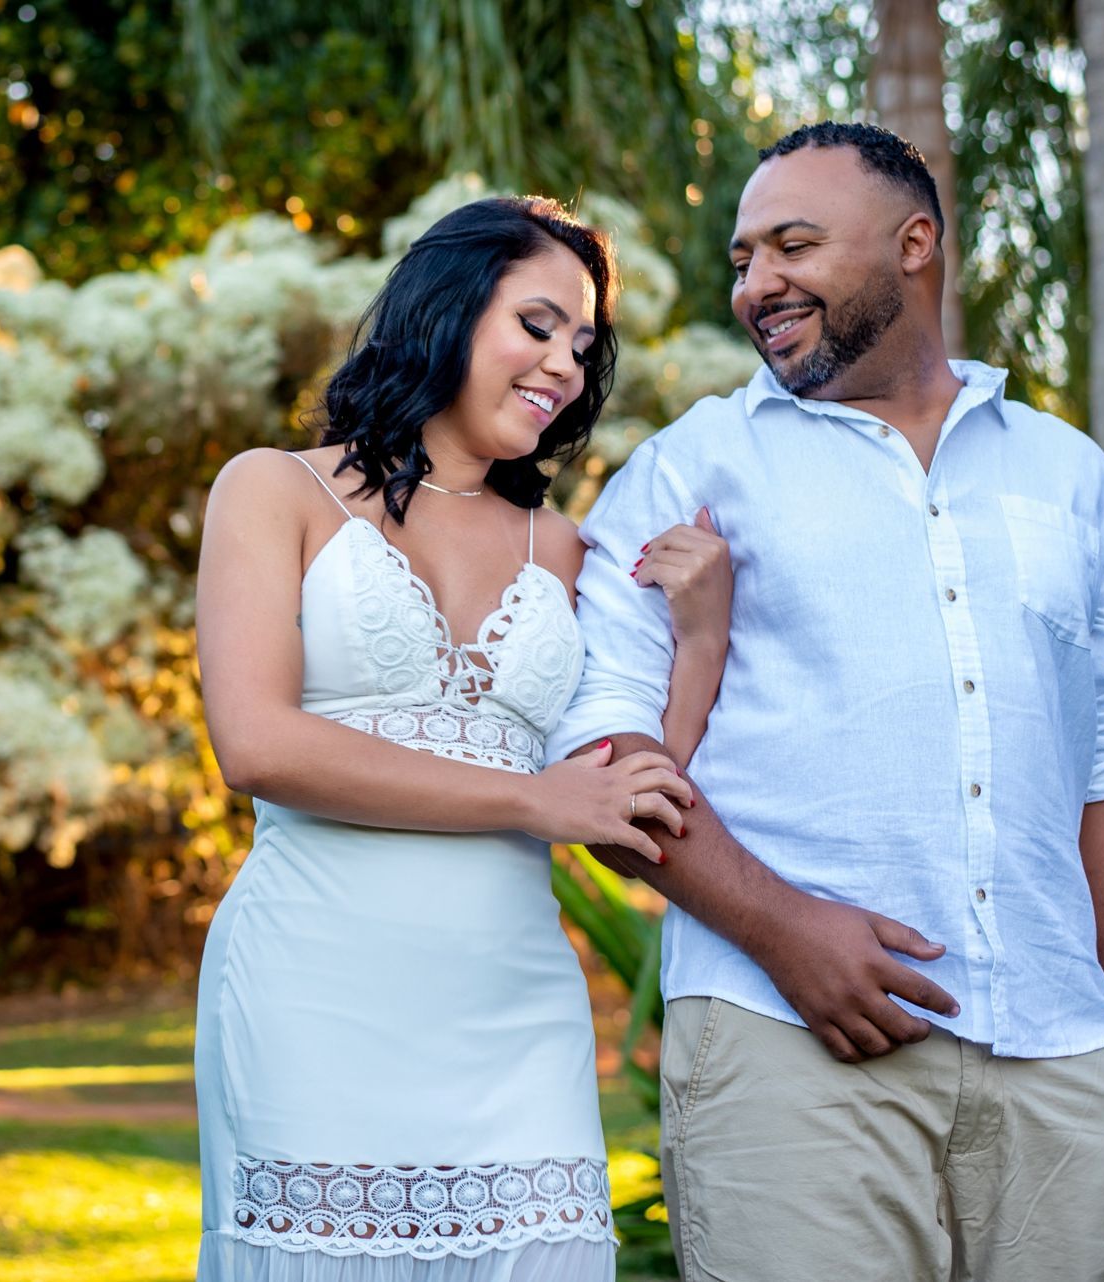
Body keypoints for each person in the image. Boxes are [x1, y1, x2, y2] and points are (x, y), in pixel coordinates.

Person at [550, 121, 1104, 1282]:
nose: (759, 284)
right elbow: (601, 747)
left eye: (793, 245)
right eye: (744, 258)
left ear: (914, 244)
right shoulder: (692, 471)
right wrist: (785, 931)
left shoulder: (1070, 477)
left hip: (1064, 1055)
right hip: (786, 1042)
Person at [191, 196, 732, 1280]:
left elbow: (633, 787)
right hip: (313, 991)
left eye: (582, 346)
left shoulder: (573, 548)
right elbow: (257, 745)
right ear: (445, 307)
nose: (566, 367)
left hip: (514, 1012)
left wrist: (703, 634)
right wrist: (533, 801)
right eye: (537, 325)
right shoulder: (273, 490)